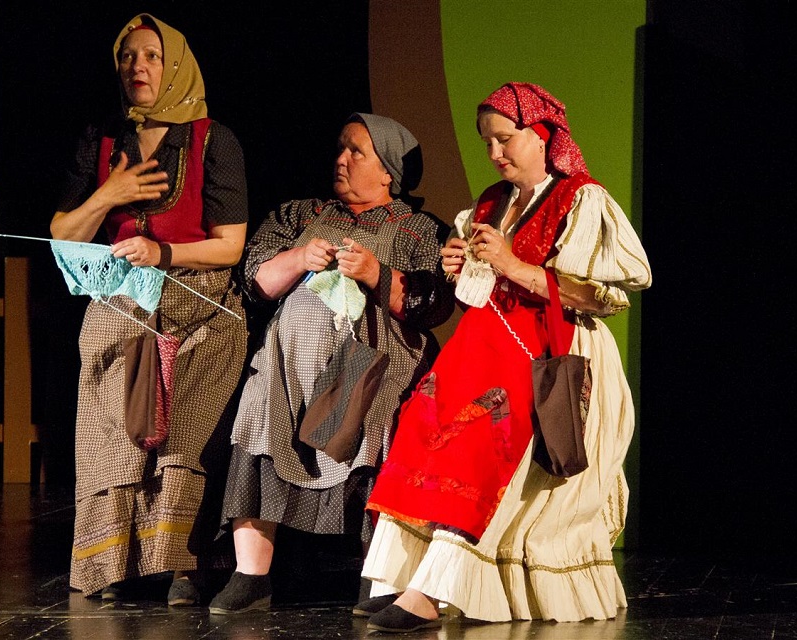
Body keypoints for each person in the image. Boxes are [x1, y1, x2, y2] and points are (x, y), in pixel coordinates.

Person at [355, 82, 652, 632]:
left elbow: (602, 297)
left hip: (550, 354)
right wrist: (460, 267)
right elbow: (479, 291)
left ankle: (430, 594)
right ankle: (406, 577)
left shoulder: (580, 198)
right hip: (484, 347)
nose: (494, 152)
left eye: (504, 138)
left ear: (542, 135)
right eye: (487, 142)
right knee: (422, 430)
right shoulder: (491, 202)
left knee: (476, 448)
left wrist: (513, 265)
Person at [207, 113, 455, 614]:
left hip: (366, 364)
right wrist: (299, 258)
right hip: (288, 362)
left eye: (356, 151)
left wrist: (377, 272)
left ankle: (378, 576)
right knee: (259, 420)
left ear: (387, 172)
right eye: (340, 148)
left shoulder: (420, 229)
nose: (341, 159)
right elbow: (256, 281)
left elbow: (434, 305)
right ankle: (251, 575)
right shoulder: (300, 215)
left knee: (375, 432)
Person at [50, 14, 249, 606]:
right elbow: (63, 233)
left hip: (199, 304)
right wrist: (108, 195)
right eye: (128, 56)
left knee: (183, 435)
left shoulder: (212, 140)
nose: (137, 67)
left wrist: (164, 252)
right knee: (113, 434)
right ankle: (112, 563)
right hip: (122, 302)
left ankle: (185, 563)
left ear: (175, 66)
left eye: (152, 56)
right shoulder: (102, 139)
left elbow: (231, 245)